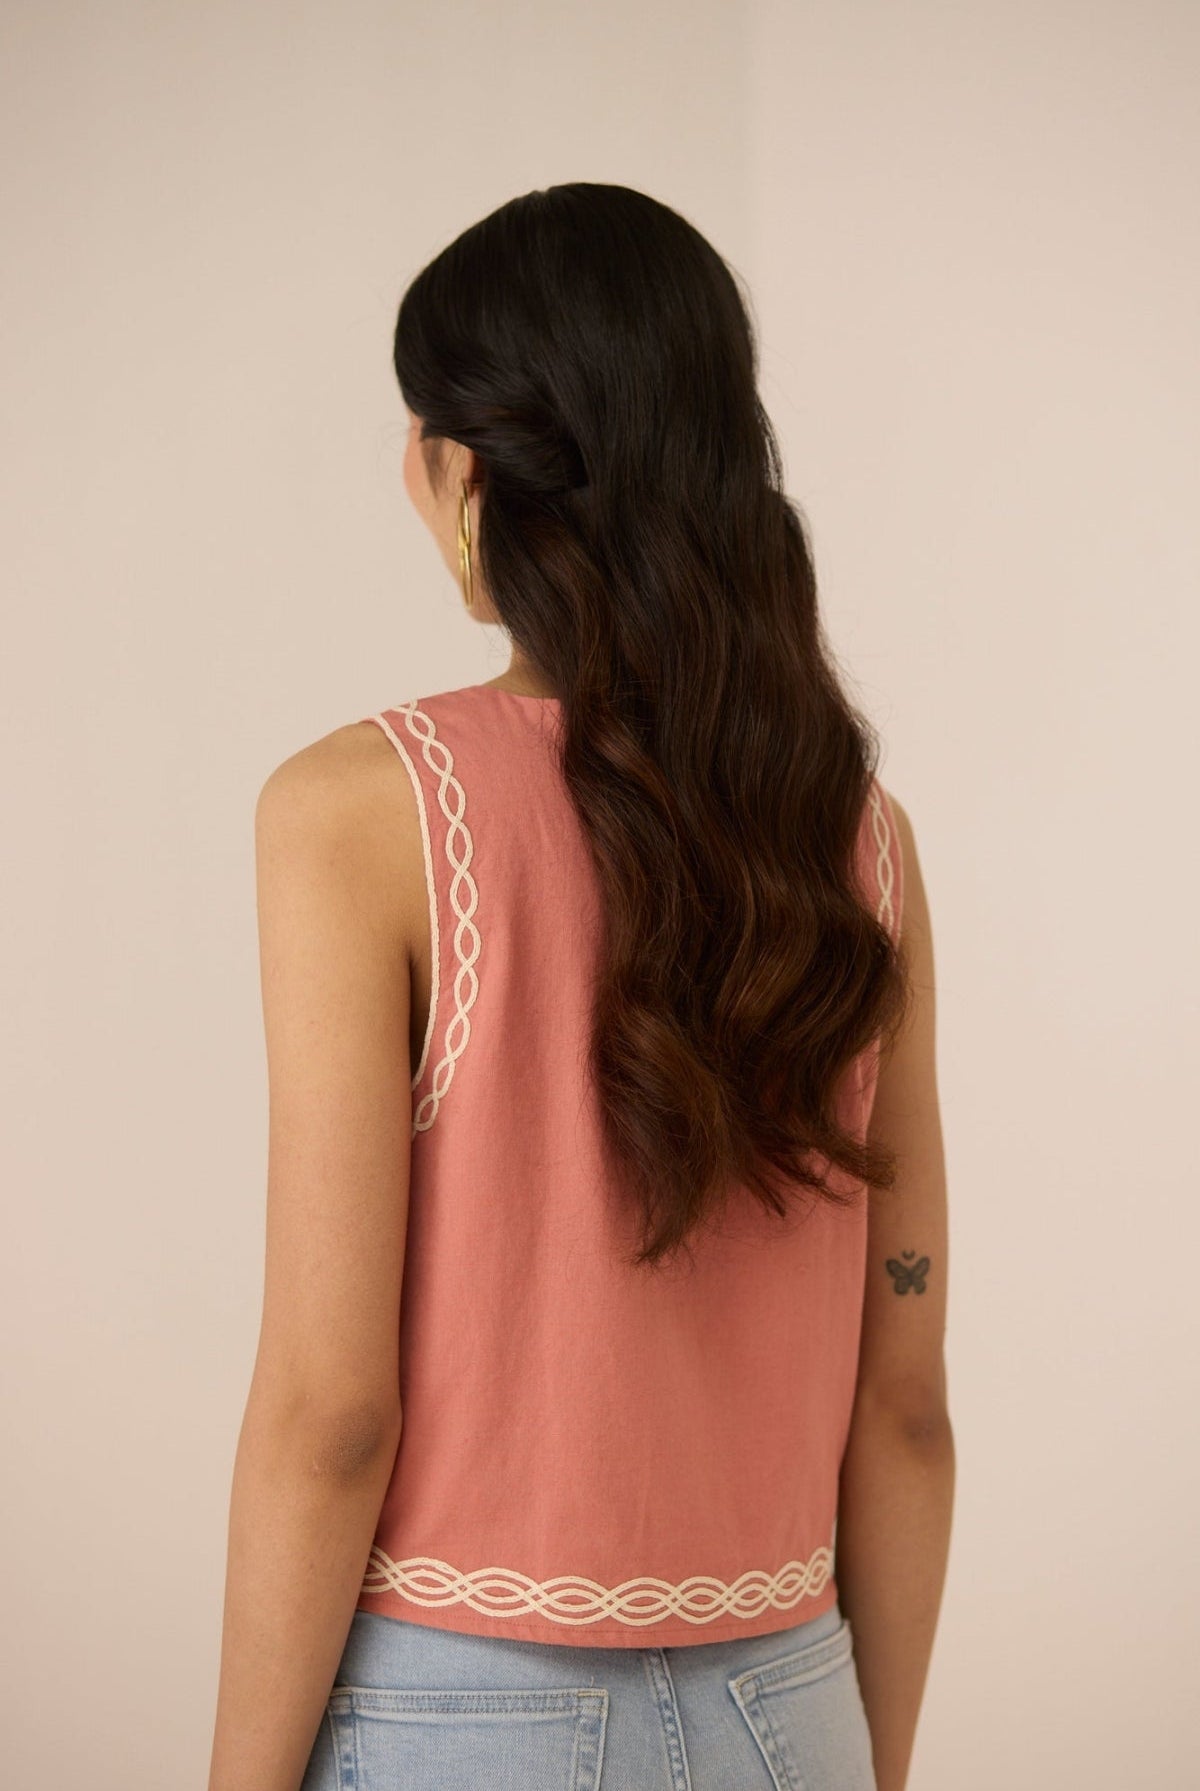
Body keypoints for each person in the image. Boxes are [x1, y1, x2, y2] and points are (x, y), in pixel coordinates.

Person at [207, 184, 953, 1791]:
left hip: (456, 1715)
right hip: (795, 1700)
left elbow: (333, 1412)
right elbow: (905, 1413)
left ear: (461, 471)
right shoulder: (859, 841)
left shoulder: (356, 814)